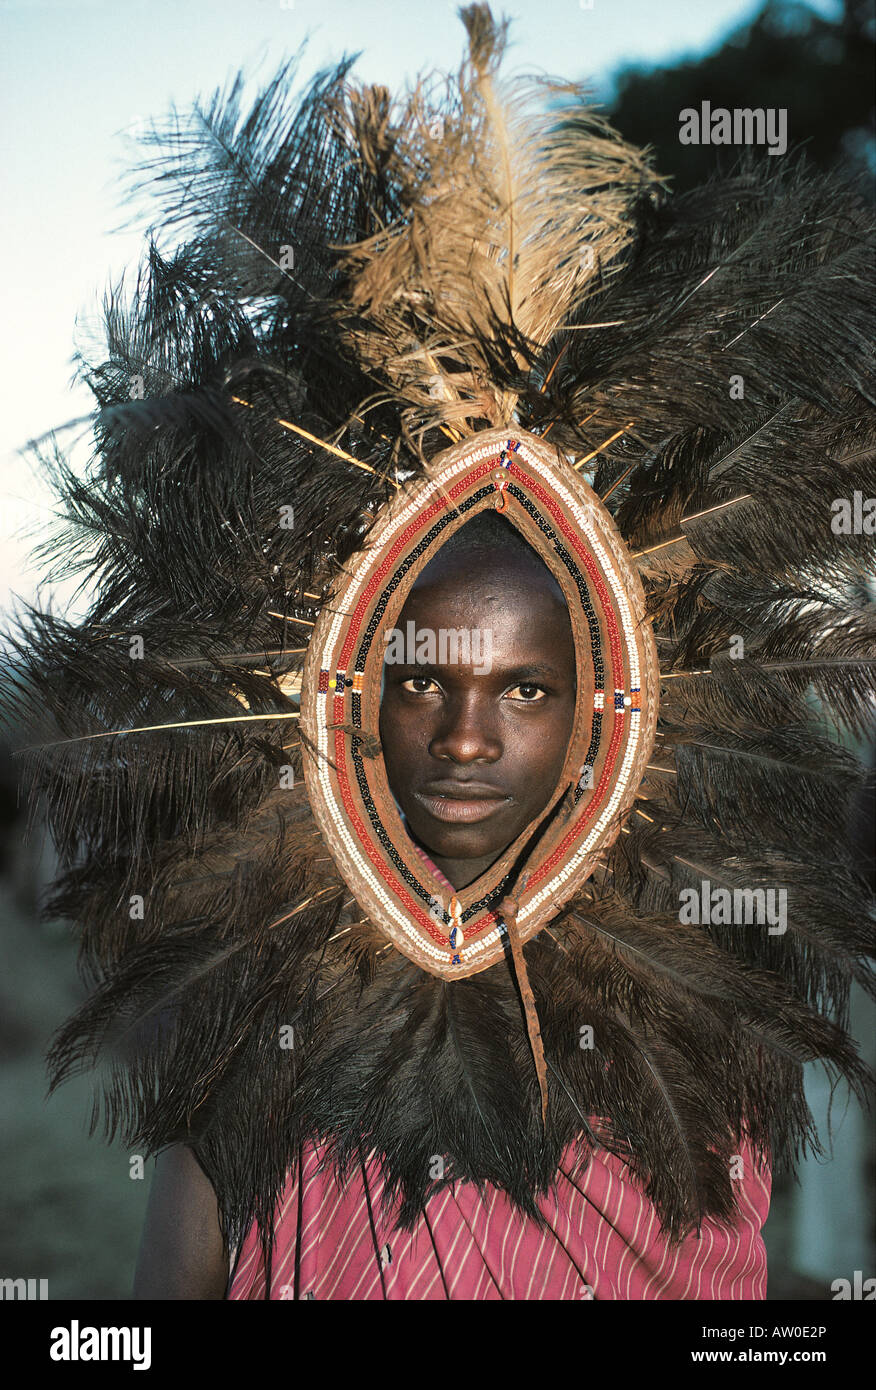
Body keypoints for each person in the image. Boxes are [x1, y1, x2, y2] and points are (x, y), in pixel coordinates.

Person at [133, 513, 770, 1300]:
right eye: (424, 682)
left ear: (595, 720)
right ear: (363, 698)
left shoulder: (691, 1000)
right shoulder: (265, 964)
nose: (465, 741)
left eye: (526, 691)